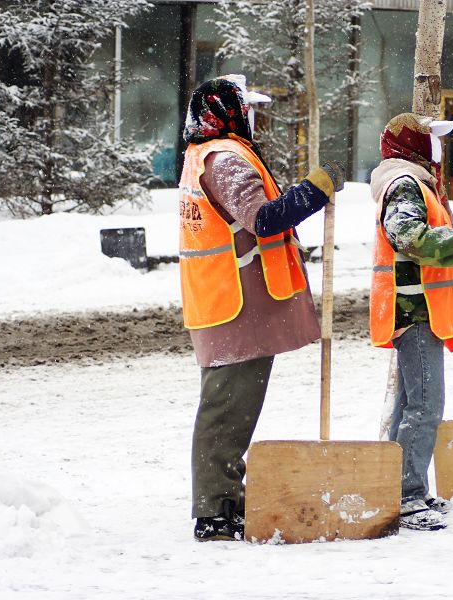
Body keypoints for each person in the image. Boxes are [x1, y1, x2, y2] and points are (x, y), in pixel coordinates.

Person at [179, 75, 344, 542]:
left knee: (232, 408)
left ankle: (225, 499)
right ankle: (214, 509)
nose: (252, 117)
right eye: (246, 108)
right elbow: (265, 219)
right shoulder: (223, 160)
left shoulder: (206, 156)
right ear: (227, 111)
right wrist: (315, 189)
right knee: (226, 410)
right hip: (234, 305)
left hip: (230, 303)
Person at [369, 113, 453, 531]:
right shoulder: (405, 184)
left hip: (419, 310)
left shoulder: (415, 182)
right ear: (413, 144)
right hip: (415, 311)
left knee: (410, 404)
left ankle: (403, 488)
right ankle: (405, 497)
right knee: (425, 406)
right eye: (432, 139)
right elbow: (407, 235)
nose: (439, 148)